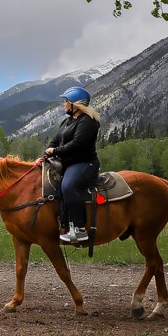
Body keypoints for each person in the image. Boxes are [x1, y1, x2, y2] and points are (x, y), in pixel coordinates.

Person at [44, 86, 101, 243]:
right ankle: (66, 224)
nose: (64, 105)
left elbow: (77, 145)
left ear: (76, 104)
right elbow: (55, 139)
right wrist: (46, 153)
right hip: (68, 163)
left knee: (68, 186)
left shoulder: (88, 122)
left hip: (85, 163)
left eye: (66, 101)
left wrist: (55, 151)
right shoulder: (68, 121)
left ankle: (80, 229)